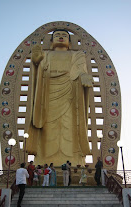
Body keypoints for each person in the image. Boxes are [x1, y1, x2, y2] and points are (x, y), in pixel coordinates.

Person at [26, 29, 93, 167]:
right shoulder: (46, 54)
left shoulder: (77, 54)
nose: (61, 37)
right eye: (57, 35)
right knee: (47, 128)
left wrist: (84, 76)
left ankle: (75, 162)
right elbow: (38, 72)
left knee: (70, 127)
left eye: (64, 36)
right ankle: (43, 162)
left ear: (69, 41)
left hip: (70, 93)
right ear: (51, 42)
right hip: (47, 94)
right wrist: (36, 62)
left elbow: (81, 69)